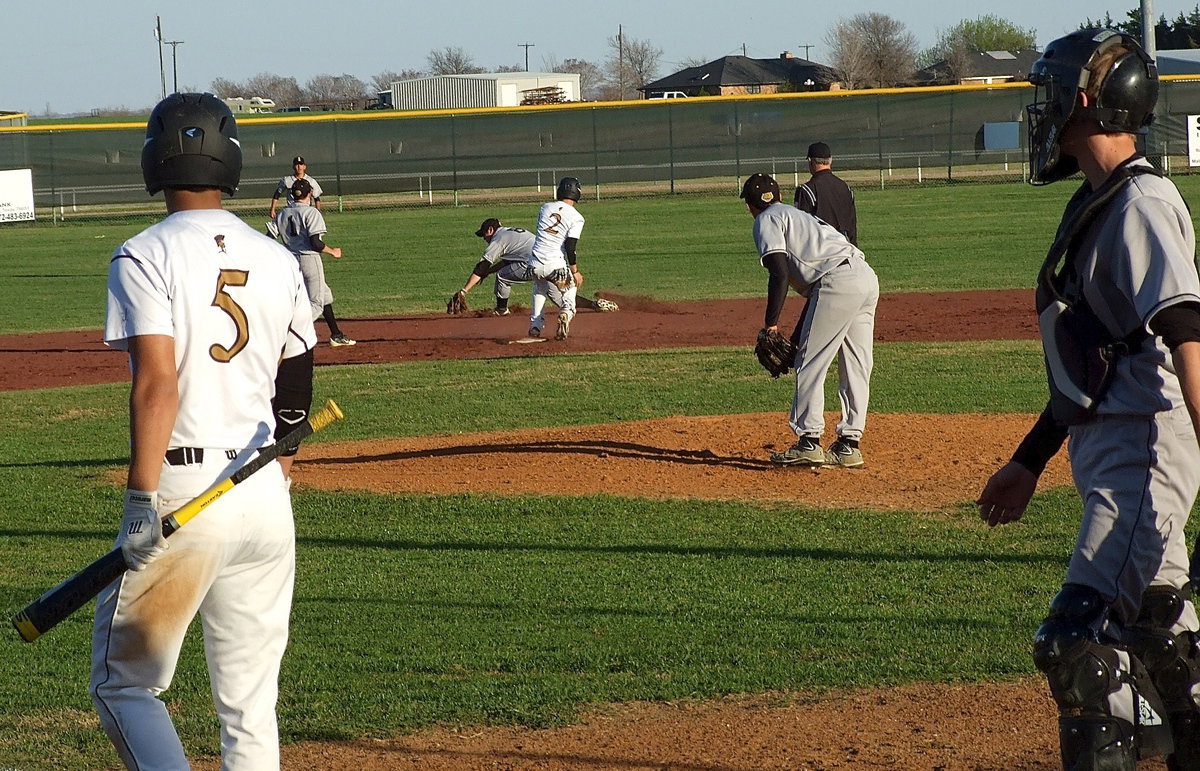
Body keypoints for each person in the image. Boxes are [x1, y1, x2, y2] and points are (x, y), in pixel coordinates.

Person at [976, 29, 1200, 769]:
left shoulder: (1139, 203)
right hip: (1117, 452)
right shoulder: (1098, 200)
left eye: (1053, 93)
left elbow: (1185, 330)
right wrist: (1029, 460)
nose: (1041, 109)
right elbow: (1097, 360)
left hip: (1143, 454)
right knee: (1163, 636)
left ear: (1092, 103)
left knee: (1078, 644)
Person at [91, 92, 317, 769]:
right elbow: (299, 378)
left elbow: (159, 384)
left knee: (124, 683)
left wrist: (140, 497)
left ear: (154, 160)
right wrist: (286, 454)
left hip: (185, 490)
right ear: (233, 160)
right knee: (250, 700)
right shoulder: (275, 256)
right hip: (261, 487)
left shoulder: (143, 254)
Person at [739, 172, 878, 468]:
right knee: (856, 363)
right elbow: (818, 292)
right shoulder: (796, 215)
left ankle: (809, 440)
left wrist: (771, 324)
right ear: (778, 197)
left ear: (750, 205)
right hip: (864, 276)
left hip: (836, 282)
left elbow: (779, 272)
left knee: (809, 362)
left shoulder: (766, 220)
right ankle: (849, 444)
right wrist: (795, 336)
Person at [450, 217, 618, 316]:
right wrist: (489, 272)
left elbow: (482, 265)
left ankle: (502, 310)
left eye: (483, 235)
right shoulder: (510, 233)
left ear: (490, 230)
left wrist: (464, 290)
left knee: (502, 276)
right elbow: (510, 260)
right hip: (551, 260)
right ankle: (596, 305)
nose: (484, 239)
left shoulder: (497, 239)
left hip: (534, 264)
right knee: (561, 301)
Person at [274, 177, 356, 346]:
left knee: (325, 295)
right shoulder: (311, 212)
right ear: (310, 194)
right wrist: (332, 251)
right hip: (309, 259)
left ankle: (336, 334)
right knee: (316, 304)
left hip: (291, 261)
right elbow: (316, 243)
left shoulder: (283, 213)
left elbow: (269, 236)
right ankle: (286, 336)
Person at [524, 178, 586, 340]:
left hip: (534, 264)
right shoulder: (577, 217)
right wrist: (575, 271)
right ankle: (565, 313)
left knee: (539, 289)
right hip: (555, 265)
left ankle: (535, 326)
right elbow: (570, 247)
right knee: (570, 289)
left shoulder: (545, 207)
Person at [794, 141, 858, 246]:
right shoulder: (845, 187)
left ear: (810, 161)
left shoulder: (806, 190)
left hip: (821, 251)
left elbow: (802, 229)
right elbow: (851, 225)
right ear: (830, 160)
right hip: (846, 249)